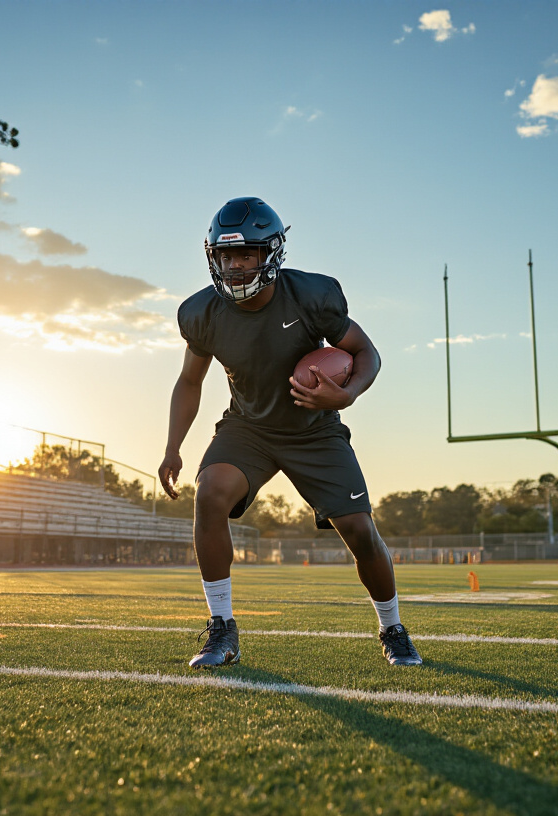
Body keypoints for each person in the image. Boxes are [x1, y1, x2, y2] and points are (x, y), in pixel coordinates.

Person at [158, 196, 422, 669]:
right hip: (249, 427)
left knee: (361, 533)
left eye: (247, 255)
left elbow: (366, 352)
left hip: (314, 429)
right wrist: (173, 447)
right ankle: (222, 629)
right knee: (210, 493)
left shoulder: (309, 296)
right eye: (226, 256)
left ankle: (393, 628)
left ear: (271, 253)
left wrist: (348, 395)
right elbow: (189, 380)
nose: (236, 266)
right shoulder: (203, 312)